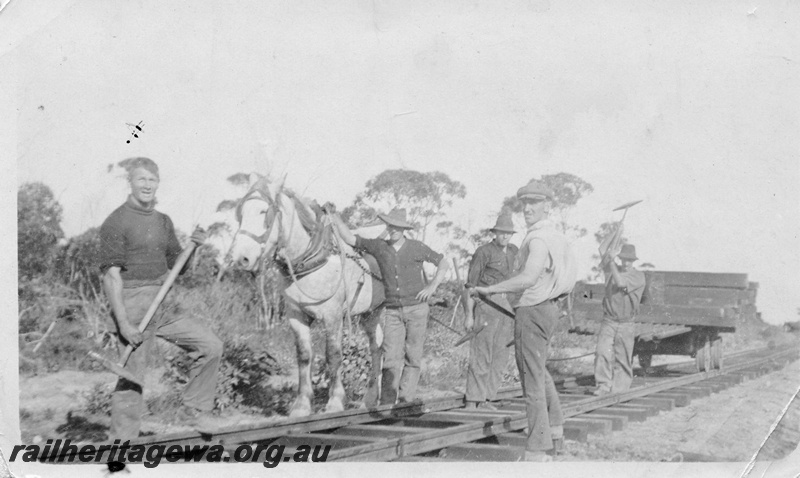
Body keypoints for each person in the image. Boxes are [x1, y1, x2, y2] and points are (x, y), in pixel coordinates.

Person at [97, 157, 222, 439]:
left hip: (163, 300)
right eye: (141, 179)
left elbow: (180, 267)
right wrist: (124, 324)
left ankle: (197, 409)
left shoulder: (163, 221)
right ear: (129, 182)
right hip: (132, 302)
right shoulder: (115, 222)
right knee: (132, 377)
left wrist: (194, 247)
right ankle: (121, 448)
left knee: (210, 345)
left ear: (158, 184)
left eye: (152, 180)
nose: (147, 185)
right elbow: (111, 277)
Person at [472, 180, 577, 461]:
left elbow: (529, 277)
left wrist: (490, 289)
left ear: (546, 205)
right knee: (540, 371)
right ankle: (554, 430)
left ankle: (537, 450)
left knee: (531, 380)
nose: (528, 208)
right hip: (548, 309)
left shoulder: (538, 238)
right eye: (525, 203)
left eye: (534, 203)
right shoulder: (558, 236)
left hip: (532, 312)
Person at [327, 207, 449, 406]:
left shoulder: (416, 247)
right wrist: (335, 216)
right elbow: (350, 239)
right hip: (392, 311)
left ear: (403, 229)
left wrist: (432, 286)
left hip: (417, 309)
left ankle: (405, 400)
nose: (393, 230)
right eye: (390, 226)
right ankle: (386, 403)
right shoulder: (379, 247)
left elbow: (443, 262)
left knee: (413, 357)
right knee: (390, 357)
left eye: (397, 227)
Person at [463, 214, 518, 410]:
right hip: (487, 305)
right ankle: (473, 400)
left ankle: (487, 399)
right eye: (501, 233)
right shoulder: (483, 252)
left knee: (500, 355)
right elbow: (470, 285)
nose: (504, 237)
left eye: (508, 233)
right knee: (481, 354)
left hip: (507, 307)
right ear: (495, 233)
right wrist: (469, 315)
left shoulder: (514, 252)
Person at [593, 243, 646, 395]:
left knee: (623, 359)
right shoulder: (612, 269)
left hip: (626, 323)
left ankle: (620, 391)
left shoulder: (638, 276)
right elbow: (602, 249)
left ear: (634, 261)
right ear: (620, 259)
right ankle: (603, 386)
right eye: (623, 259)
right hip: (609, 320)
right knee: (602, 353)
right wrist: (615, 232)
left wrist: (611, 261)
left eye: (629, 260)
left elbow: (621, 284)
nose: (626, 263)